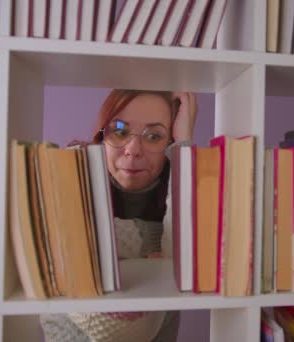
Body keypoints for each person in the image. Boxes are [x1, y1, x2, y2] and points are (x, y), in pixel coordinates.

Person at [40, 89, 198, 342]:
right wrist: (154, 245)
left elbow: (187, 259)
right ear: (102, 137)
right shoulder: (71, 180)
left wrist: (184, 147)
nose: (133, 149)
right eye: (120, 131)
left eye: (154, 136)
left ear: (170, 147)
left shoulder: (180, 194)